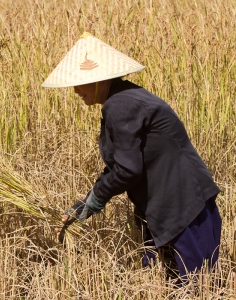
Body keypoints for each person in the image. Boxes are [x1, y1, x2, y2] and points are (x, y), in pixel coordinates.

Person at [42, 32, 222, 283]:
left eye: (80, 82)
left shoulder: (120, 105)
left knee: (195, 287)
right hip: (180, 204)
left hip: (183, 209)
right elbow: (122, 164)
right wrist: (87, 203)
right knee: (185, 285)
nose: (75, 90)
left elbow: (128, 170)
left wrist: (95, 200)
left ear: (99, 79)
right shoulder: (126, 98)